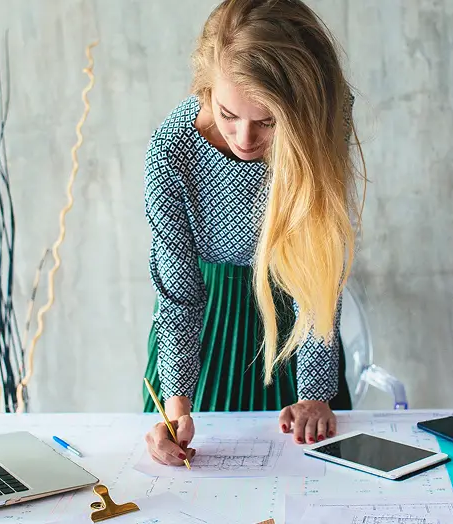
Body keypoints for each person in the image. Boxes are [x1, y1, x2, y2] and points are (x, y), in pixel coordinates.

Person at [141, 0, 366, 467]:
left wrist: (316, 393)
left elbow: (320, 259)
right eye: (227, 114)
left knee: (321, 481)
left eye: (268, 122)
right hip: (204, 329)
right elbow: (179, 294)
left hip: (302, 319)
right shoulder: (170, 152)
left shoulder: (327, 117)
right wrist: (176, 404)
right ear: (205, 90)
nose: (244, 138)